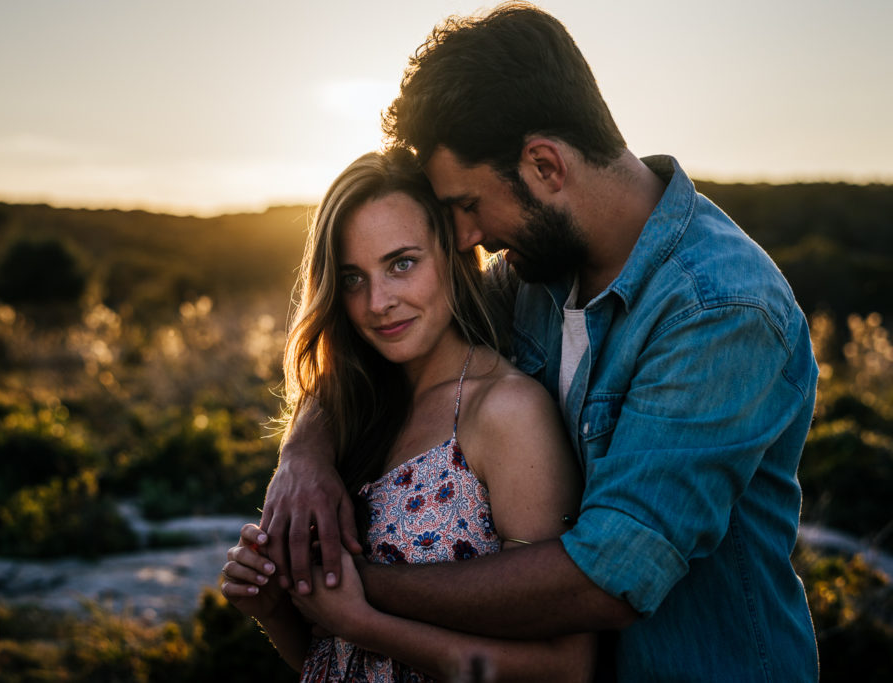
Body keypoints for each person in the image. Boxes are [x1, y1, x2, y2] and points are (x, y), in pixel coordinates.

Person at [258, 3, 820, 681]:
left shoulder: (721, 308)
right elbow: (386, 343)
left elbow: (608, 577)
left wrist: (351, 588)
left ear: (545, 165)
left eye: (467, 205)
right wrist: (304, 453)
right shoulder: (531, 273)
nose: (466, 237)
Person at [221, 148, 596, 681]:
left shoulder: (505, 412)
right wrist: (275, 607)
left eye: (402, 264)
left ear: (452, 251)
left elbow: (564, 667)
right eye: (353, 278)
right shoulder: (351, 411)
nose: (377, 302)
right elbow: (335, 661)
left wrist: (363, 623)